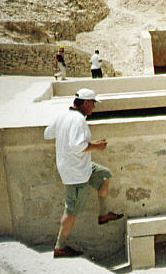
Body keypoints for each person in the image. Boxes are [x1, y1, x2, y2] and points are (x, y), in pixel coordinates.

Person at [43, 88, 124, 258]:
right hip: (75, 173)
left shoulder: (63, 115)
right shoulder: (78, 120)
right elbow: (77, 146)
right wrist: (97, 146)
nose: (94, 107)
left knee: (104, 175)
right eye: (93, 103)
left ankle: (103, 214)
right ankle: (59, 247)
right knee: (71, 210)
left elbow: (47, 133)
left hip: (81, 166)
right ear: (86, 103)